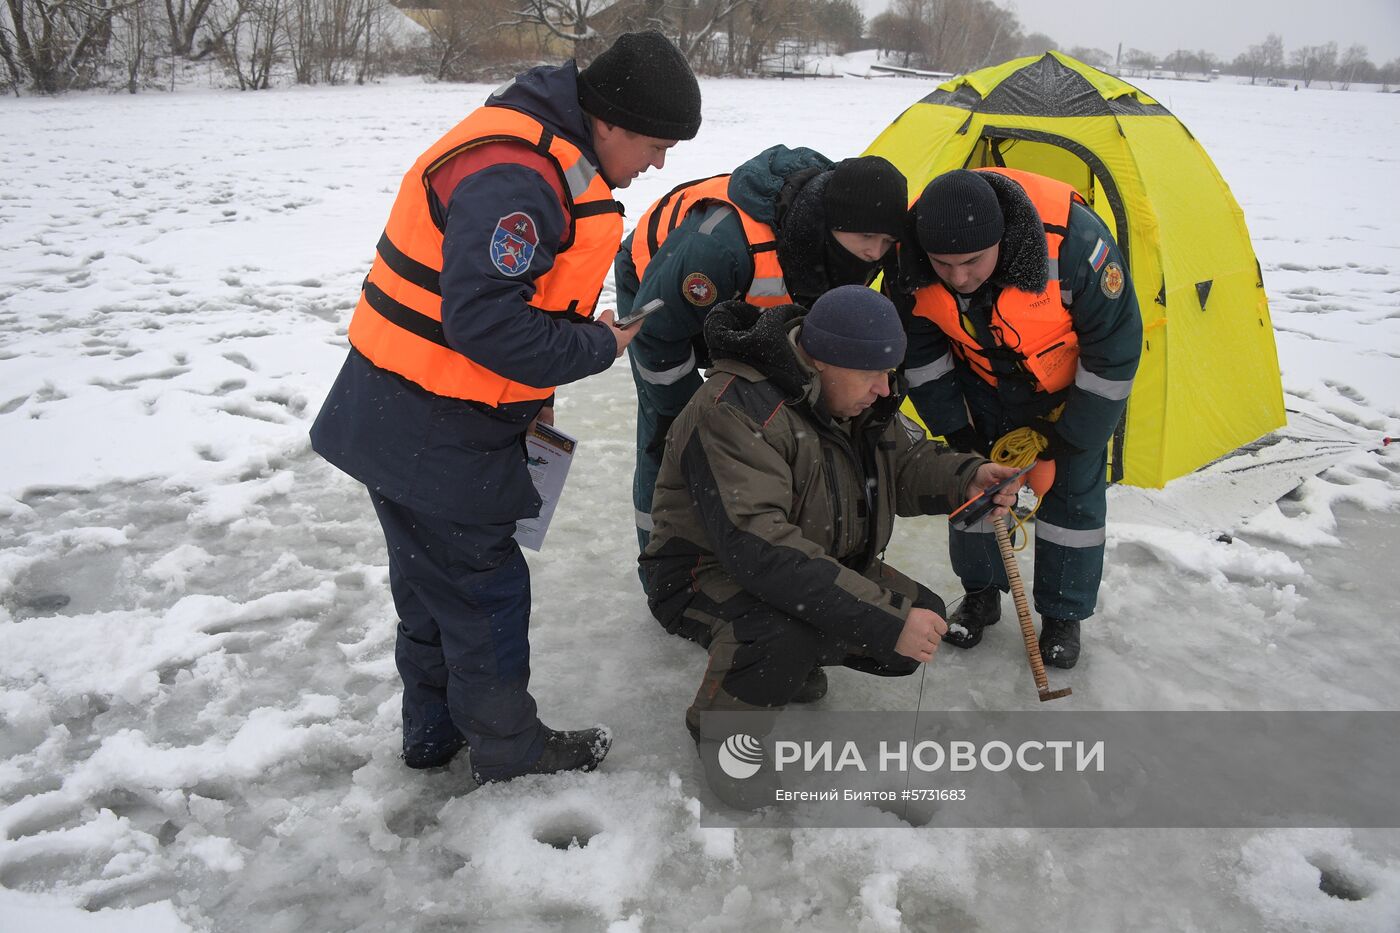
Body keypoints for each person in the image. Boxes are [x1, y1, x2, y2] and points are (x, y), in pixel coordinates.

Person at [309, 31, 701, 783]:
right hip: (435, 426)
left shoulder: (540, 149)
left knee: (430, 587)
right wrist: (597, 346)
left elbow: (507, 312)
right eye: (655, 145)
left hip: (396, 410)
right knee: (484, 593)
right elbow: (485, 322)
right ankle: (510, 753)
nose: (656, 165)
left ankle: (431, 735)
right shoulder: (519, 176)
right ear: (611, 121)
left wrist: (533, 402)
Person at [640, 286, 1023, 746]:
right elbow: (759, 549)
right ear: (820, 359)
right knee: (783, 632)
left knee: (921, 617)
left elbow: (905, 465)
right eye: (874, 374)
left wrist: (968, 477)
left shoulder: (858, 401)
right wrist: (882, 621)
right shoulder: (735, 411)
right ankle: (725, 739)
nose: (885, 388)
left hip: (807, 553)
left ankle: (791, 664)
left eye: (889, 373)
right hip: (704, 571)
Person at [886, 167, 1143, 669]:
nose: (958, 277)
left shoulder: (1077, 247)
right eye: (944, 264)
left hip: (1068, 392)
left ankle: (1062, 615)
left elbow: (1114, 353)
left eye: (972, 262)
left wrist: (1066, 440)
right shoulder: (909, 260)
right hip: (980, 384)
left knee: (1071, 505)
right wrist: (955, 426)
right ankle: (981, 594)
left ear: (1002, 239)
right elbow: (919, 348)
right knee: (975, 489)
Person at [613, 150, 909, 567]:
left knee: (782, 424)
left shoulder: (854, 241)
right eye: (866, 240)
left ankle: (773, 550)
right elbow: (654, 337)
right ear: (829, 224)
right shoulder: (721, 245)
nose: (874, 255)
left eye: (886, 244)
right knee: (672, 439)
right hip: (659, 298)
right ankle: (665, 565)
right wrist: (695, 421)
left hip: (749, 311)